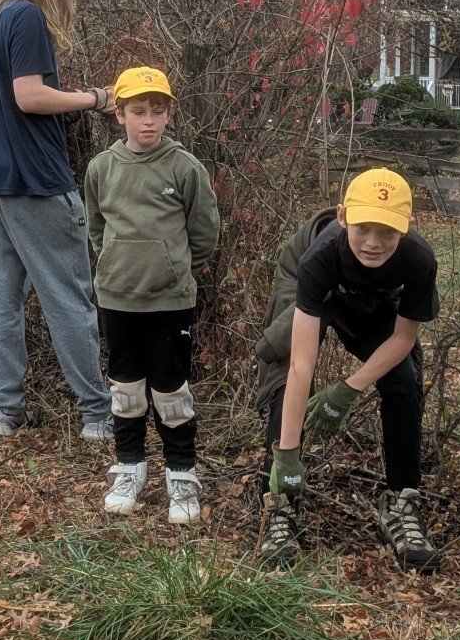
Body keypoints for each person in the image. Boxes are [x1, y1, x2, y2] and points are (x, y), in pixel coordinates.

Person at [0, 0, 114, 439]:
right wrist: (94, 98)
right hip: (35, 181)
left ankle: (4, 411)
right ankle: (96, 413)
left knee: (0, 300)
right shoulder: (25, 16)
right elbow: (29, 96)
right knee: (68, 296)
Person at [252, 168, 440, 572]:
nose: (373, 242)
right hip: (315, 285)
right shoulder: (317, 257)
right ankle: (279, 499)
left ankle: (403, 501)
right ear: (342, 217)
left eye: (386, 232)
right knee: (286, 368)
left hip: (374, 298)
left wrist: (349, 388)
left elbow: (403, 339)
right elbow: (303, 364)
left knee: (403, 380)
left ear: (408, 227)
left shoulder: (420, 261)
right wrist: (287, 455)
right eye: (363, 228)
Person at [83, 67, 220, 524]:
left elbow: (204, 234)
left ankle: (181, 473)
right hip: (117, 299)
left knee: (171, 390)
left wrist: (171, 268)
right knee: (125, 389)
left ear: (168, 114)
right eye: (138, 111)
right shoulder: (102, 168)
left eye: (157, 111)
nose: (148, 121)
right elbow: (97, 229)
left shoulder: (185, 168)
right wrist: (116, 266)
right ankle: (129, 466)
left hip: (169, 302)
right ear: (118, 114)